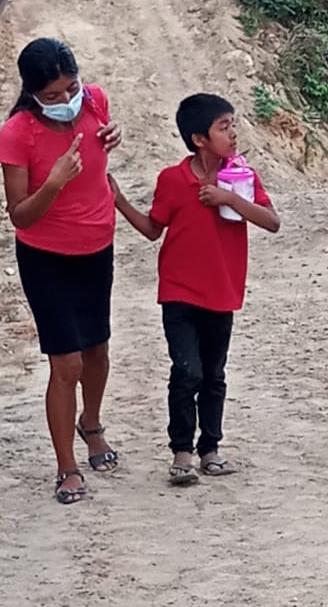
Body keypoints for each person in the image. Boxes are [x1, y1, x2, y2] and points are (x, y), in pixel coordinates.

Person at [112, 94, 280, 484]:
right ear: (198, 138)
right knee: (186, 371)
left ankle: (212, 449)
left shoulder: (241, 176)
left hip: (222, 290)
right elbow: (154, 229)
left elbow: (271, 222)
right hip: (178, 291)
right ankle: (182, 452)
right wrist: (118, 200)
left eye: (232, 124)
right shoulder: (173, 180)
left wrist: (229, 198)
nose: (234, 134)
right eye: (224, 127)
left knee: (214, 374)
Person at [0, 38, 122, 505]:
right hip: (45, 257)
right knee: (65, 362)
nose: (66, 101)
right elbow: (21, 214)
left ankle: (92, 422)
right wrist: (53, 182)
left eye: (71, 88)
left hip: (97, 247)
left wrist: (112, 135)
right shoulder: (17, 133)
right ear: (31, 93)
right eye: (52, 96)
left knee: (97, 349)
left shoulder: (95, 101)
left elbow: (102, 140)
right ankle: (66, 466)